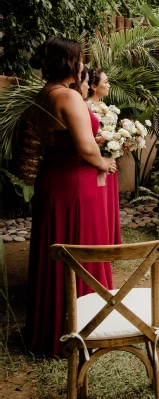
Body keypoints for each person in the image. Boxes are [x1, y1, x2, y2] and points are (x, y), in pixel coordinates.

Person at [25, 37, 117, 357]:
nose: (82, 66)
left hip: (52, 181)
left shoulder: (44, 94)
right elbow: (86, 146)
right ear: (69, 63)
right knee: (81, 251)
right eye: (79, 60)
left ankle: (52, 328)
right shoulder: (68, 95)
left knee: (56, 253)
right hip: (77, 184)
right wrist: (104, 161)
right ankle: (87, 329)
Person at [87, 67, 121, 245]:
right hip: (95, 163)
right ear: (93, 86)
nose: (109, 85)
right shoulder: (86, 107)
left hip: (110, 161)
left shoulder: (108, 109)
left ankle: (109, 242)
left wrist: (123, 141)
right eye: (105, 82)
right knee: (98, 205)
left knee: (109, 204)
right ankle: (98, 242)